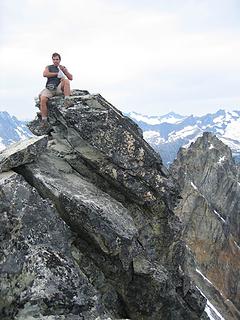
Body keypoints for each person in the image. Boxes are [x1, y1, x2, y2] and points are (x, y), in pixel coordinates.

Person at [39, 52, 73, 124]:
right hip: (50, 88)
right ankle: (44, 120)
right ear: (52, 60)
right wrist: (57, 74)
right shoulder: (49, 67)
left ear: (59, 60)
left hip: (58, 88)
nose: (55, 61)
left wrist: (64, 71)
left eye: (57, 59)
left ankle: (67, 100)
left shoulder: (62, 68)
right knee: (42, 99)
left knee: (66, 81)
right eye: (54, 59)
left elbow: (71, 78)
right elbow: (45, 74)